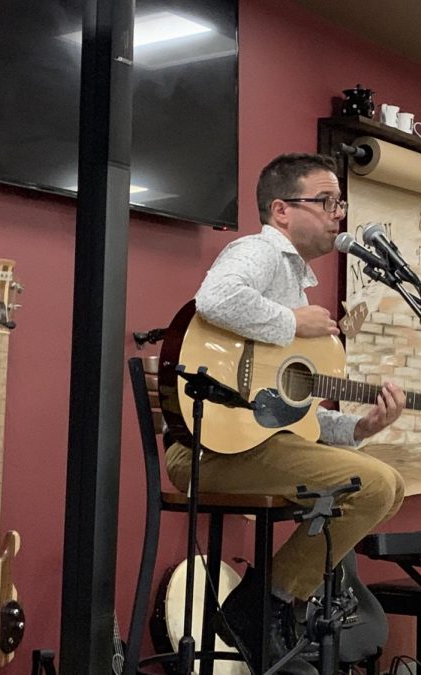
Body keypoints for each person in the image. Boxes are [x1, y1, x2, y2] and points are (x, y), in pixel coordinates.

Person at [164, 152, 407, 675]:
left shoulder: (296, 283)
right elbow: (215, 297)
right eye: (325, 202)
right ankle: (268, 605)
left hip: (258, 443)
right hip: (206, 450)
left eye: (339, 203)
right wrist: (292, 321)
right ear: (280, 210)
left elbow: (296, 418)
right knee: (377, 485)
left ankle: (270, 606)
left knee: (386, 486)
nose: (337, 214)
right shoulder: (259, 252)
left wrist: (360, 428)